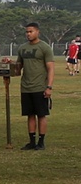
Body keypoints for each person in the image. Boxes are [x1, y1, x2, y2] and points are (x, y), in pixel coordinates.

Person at [16, 22, 55, 150]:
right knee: (30, 114)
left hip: (40, 87)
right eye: (27, 32)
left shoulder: (44, 48)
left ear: (38, 32)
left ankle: (41, 141)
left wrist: (49, 87)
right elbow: (18, 68)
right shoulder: (22, 48)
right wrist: (9, 63)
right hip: (26, 87)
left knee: (41, 115)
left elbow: (50, 68)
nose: (28, 34)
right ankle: (31, 141)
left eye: (31, 31)